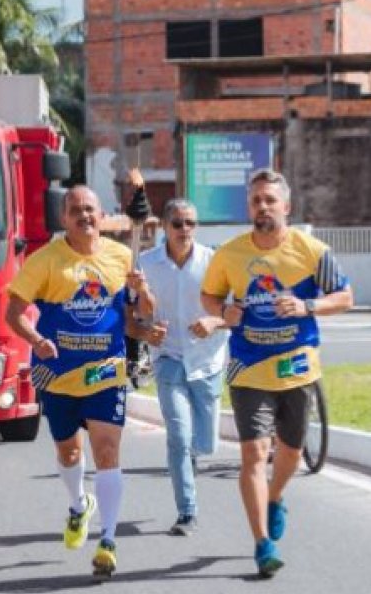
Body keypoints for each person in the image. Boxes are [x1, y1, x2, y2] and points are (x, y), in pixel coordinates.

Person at [200, 169, 353, 578]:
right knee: (254, 453)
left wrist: (308, 307)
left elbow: (346, 296)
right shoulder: (229, 254)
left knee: (290, 449)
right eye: (255, 201)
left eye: (270, 200)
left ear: (286, 206)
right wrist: (222, 312)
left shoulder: (312, 251)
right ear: (248, 207)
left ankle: (276, 495)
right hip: (248, 368)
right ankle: (262, 543)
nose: (262, 207)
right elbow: (210, 295)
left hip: (298, 369)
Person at [4, 186, 154, 579]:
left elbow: (142, 314)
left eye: (90, 210)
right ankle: (78, 505)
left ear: (101, 216)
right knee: (69, 454)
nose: (84, 217)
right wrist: (35, 339)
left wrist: (141, 292)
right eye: (76, 211)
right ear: (64, 218)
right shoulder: (46, 260)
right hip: (57, 373)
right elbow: (14, 312)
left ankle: (107, 541)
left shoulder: (123, 257)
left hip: (106, 370)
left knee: (107, 451)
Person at [129, 199, 228, 537]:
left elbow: (233, 311)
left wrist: (214, 321)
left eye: (191, 223)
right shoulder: (146, 264)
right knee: (178, 436)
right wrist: (146, 328)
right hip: (168, 358)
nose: (185, 230)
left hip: (207, 361)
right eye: (178, 224)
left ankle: (194, 455)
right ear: (164, 228)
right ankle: (187, 511)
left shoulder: (214, 262)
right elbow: (138, 315)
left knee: (206, 444)